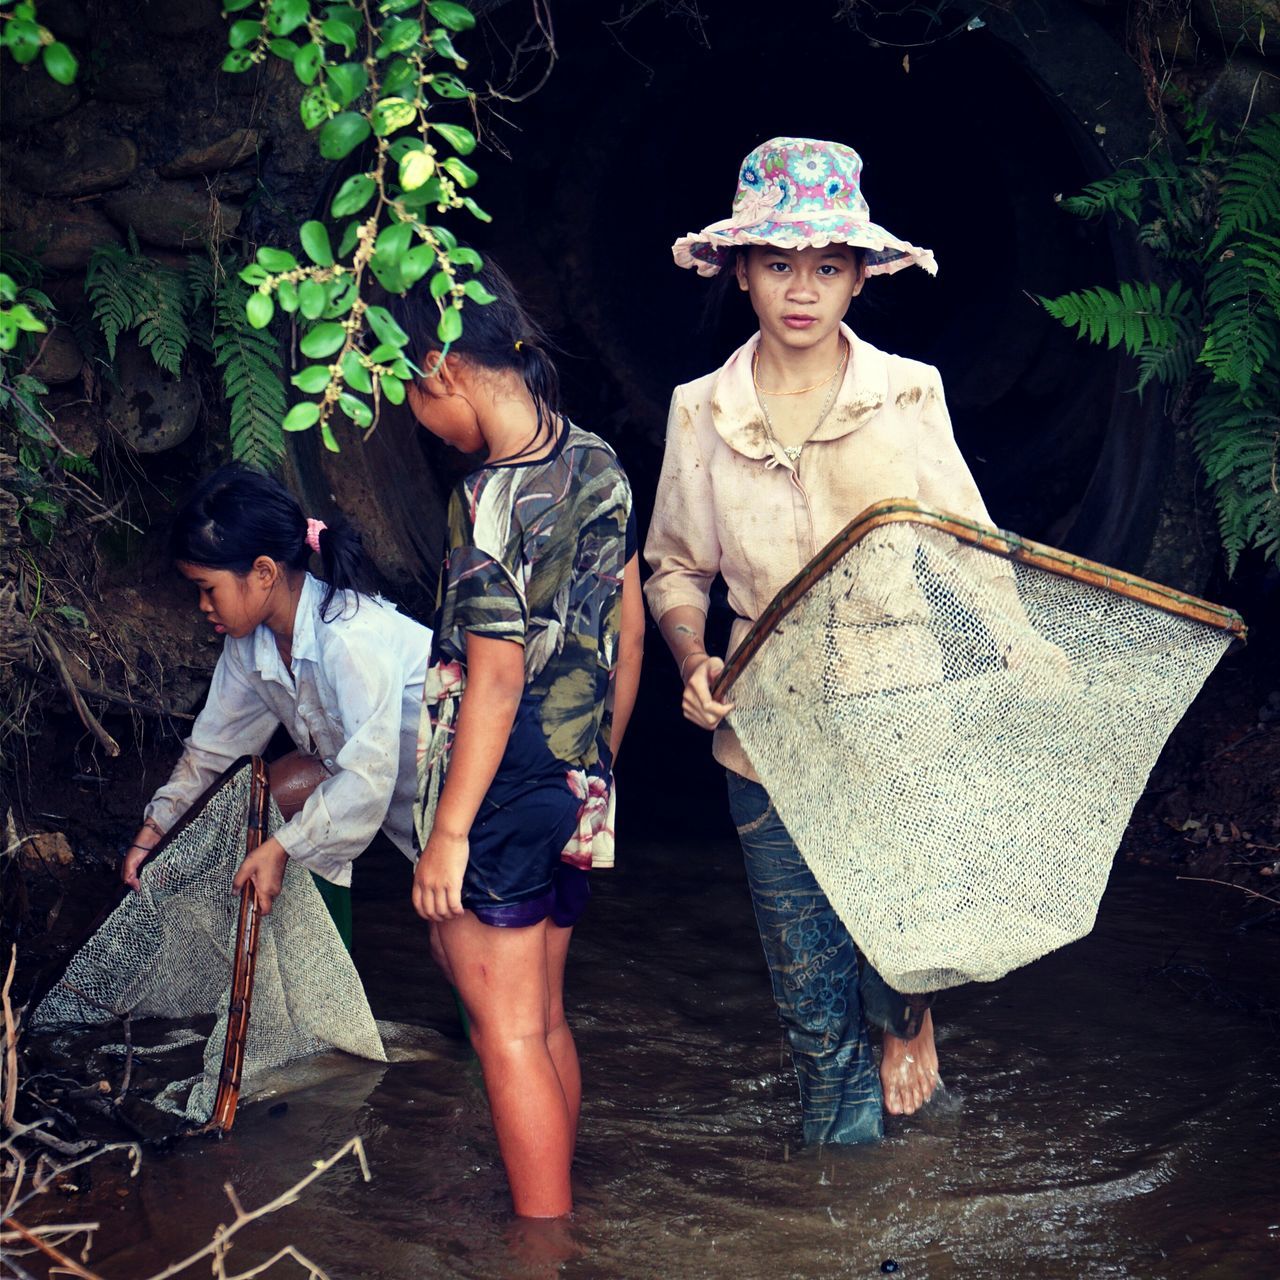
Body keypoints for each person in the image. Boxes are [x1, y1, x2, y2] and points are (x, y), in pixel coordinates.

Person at [646, 136, 997, 1145]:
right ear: (742, 272)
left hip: (899, 713)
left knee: (898, 941)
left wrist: (1034, 651)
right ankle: (844, 1200)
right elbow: (674, 564)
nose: (802, 289)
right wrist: (689, 657)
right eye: (779, 264)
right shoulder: (697, 412)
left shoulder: (906, 393)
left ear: (855, 278)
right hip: (765, 730)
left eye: (827, 267)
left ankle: (907, 1021)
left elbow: (968, 548)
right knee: (809, 1008)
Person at [393, 257, 644, 1218]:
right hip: (576, 772)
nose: (421, 422)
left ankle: (542, 1245)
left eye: (414, 397)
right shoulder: (600, 462)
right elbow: (621, 642)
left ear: (442, 369)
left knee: (501, 1032)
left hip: (497, 785)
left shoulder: (486, 502)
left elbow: (495, 677)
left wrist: (449, 832)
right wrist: (595, 764)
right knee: (540, 1019)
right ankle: (560, 1214)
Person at [120, 464, 432, 948]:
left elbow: (369, 776)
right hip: (399, 791)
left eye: (208, 588)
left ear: (263, 573)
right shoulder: (249, 644)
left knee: (460, 950)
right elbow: (212, 750)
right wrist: (156, 827)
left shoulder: (350, 640)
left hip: (479, 791)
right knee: (262, 798)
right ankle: (328, 983)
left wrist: (283, 847)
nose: (202, 605)